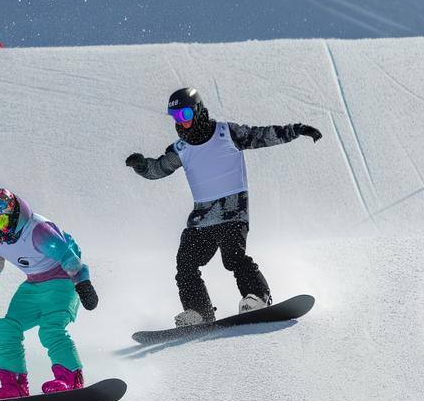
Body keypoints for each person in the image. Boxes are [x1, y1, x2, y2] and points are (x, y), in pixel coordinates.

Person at [124, 88, 321, 327]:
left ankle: (258, 297)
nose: (182, 122)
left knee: (234, 258)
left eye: (185, 114)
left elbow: (263, 135)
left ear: (197, 110)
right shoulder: (181, 149)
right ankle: (199, 311)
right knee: (185, 263)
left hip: (232, 212)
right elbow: (159, 169)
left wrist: (296, 130)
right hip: (202, 218)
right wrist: (143, 166)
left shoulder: (227, 133)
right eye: (176, 117)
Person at [0, 188, 98, 399]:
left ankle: (70, 378)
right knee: (7, 328)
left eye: (2, 220)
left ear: (13, 214)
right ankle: (13, 384)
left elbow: (68, 256)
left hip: (62, 280)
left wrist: (83, 283)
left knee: (50, 329)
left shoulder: (37, 231)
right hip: (34, 285)